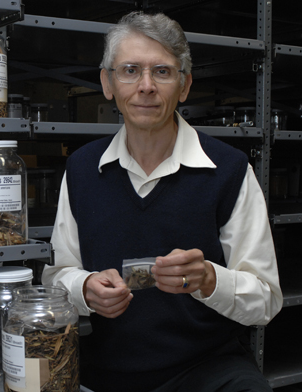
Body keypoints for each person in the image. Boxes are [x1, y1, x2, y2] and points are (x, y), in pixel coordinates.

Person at [41, 11, 283, 392]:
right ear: (107, 83)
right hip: (106, 371)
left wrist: (209, 279)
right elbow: (56, 275)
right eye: (130, 70)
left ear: (184, 86)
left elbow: (266, 300)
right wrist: (85, 287)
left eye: (163, 72)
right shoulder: (83, 168)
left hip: (207, 370)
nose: (146, 86)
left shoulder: (229, 169)